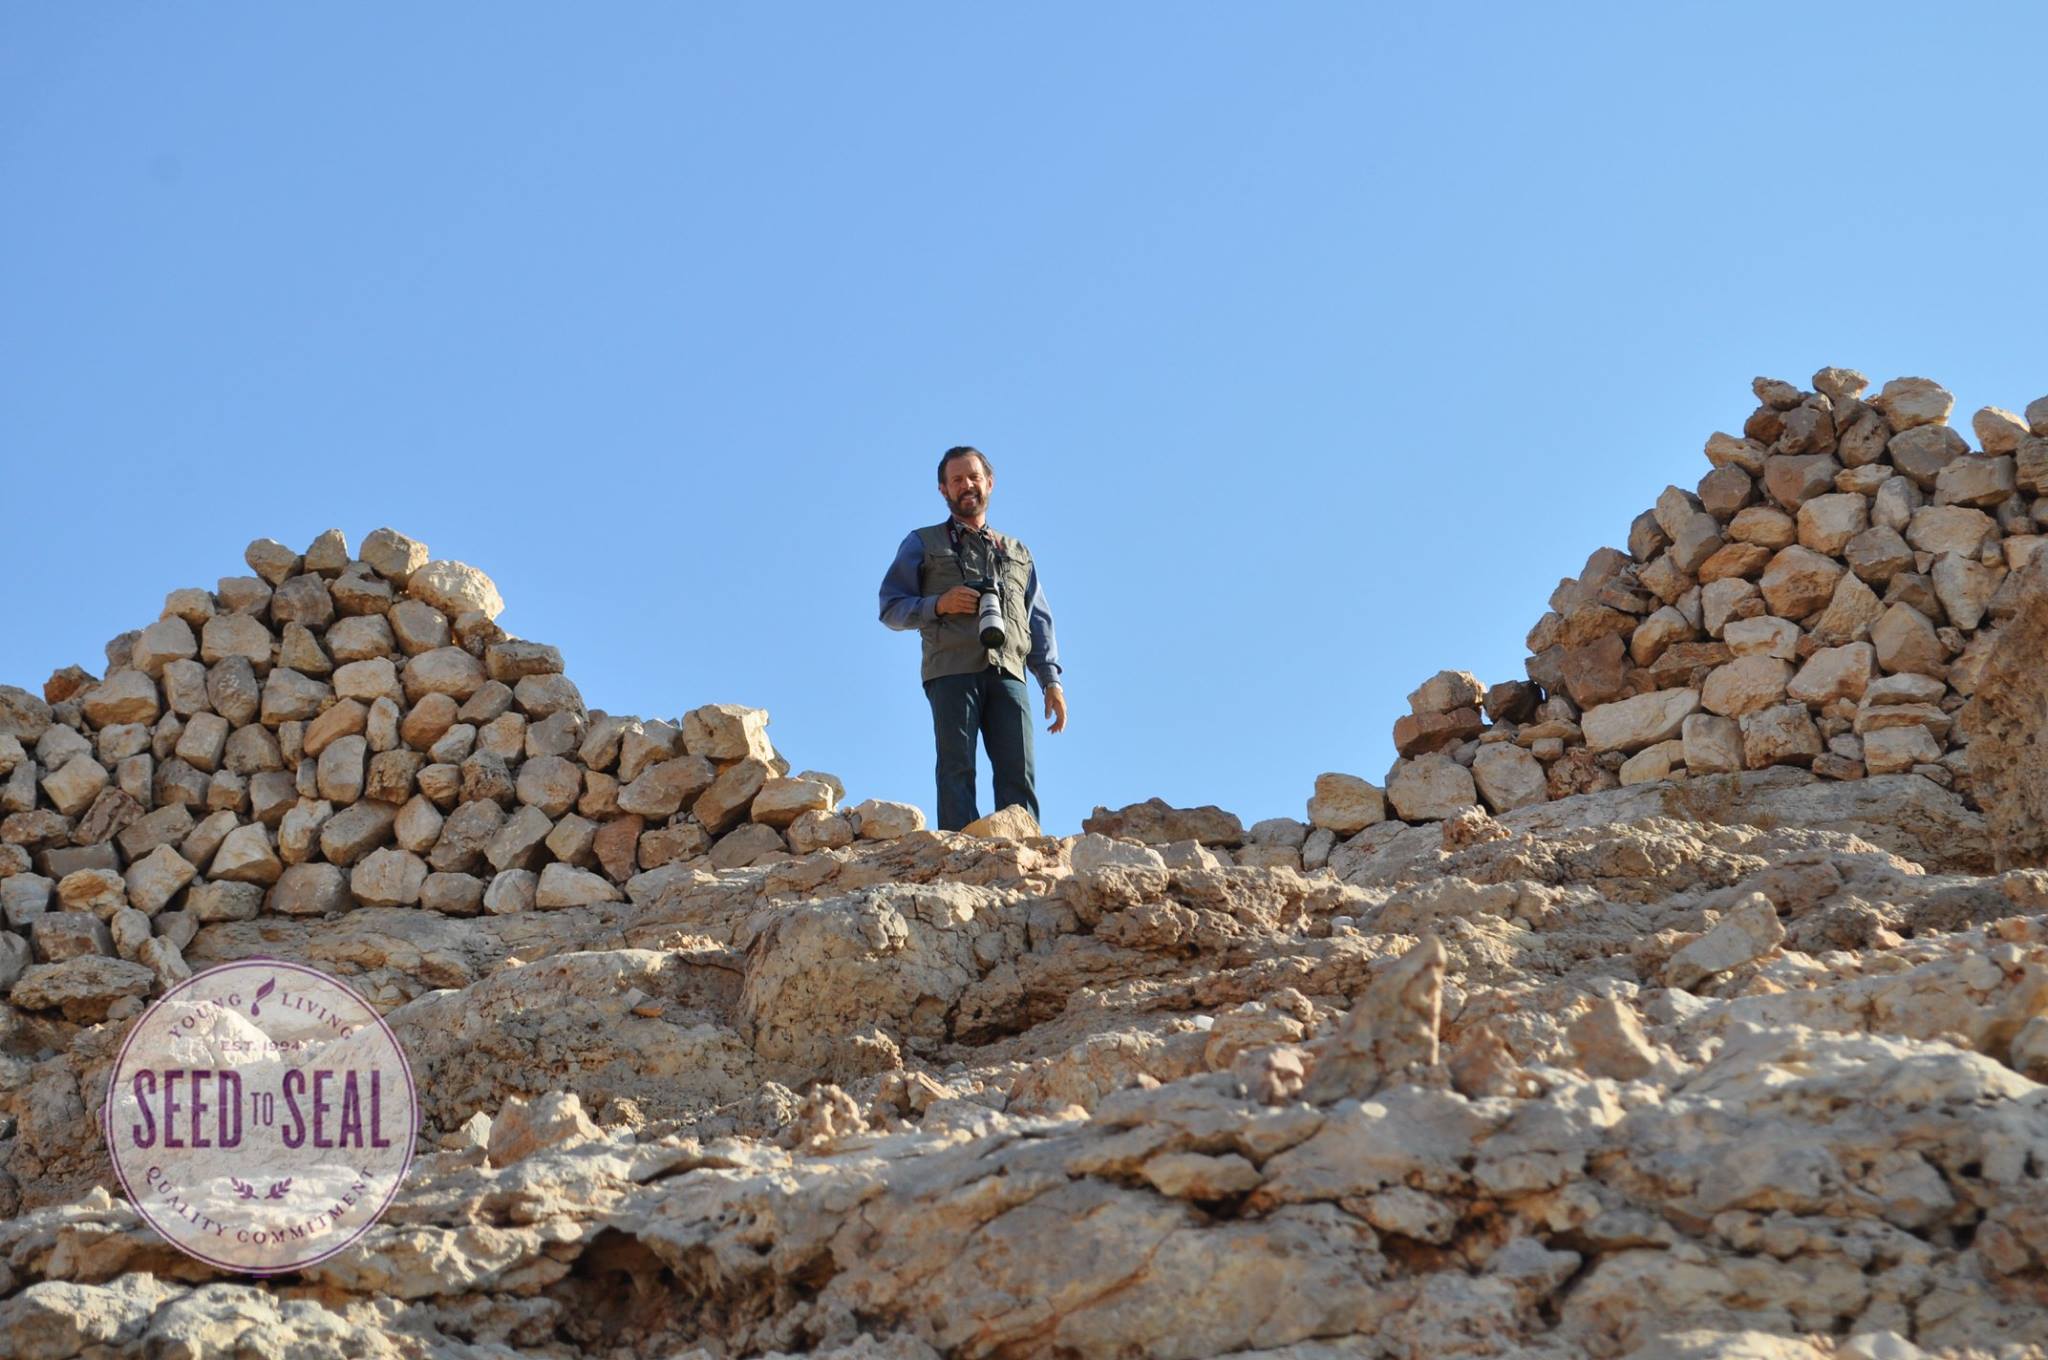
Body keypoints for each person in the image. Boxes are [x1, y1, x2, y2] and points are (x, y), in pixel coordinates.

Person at [878, 445, 1067, 831]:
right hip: (950, 669)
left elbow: (1039, 619)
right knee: (956, 768)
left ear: (990, 483)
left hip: (1010, 671)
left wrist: (1051, 681)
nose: (967, 486)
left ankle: (1023, 851)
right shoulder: (922, 542)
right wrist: (939, 604)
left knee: (1020, 770)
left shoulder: (1016, 552)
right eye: (957, 480)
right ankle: (960, 857)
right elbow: (890, 607)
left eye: (974, 477)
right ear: (943, 490)